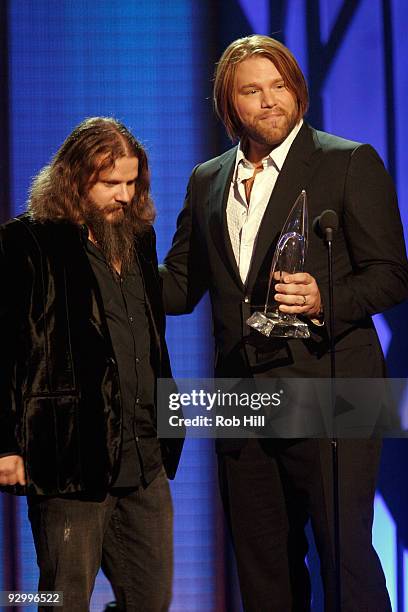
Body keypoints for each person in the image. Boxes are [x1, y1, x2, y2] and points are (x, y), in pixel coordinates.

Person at [160, 35, 408, 611]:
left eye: (280, 86)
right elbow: (179, 285)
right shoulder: (206, 179)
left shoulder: (348, 160)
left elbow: (392, 276)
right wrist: (106, 263)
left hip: (336, 386)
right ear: (230, 106)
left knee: (345, 558)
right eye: (252, 90)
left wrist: (325, 297)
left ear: (298, 91)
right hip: (241, 397)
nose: (270, 101)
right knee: (262, 564)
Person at [0, 117, 182, 612]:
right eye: (110, 183)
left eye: (131, 182)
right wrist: (5, 445)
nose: (124, 195)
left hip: (145, 458)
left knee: (151, 599)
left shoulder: (138, 237)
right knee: (63, 599)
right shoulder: (27, 244)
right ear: (76, 179)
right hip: (70, 458)